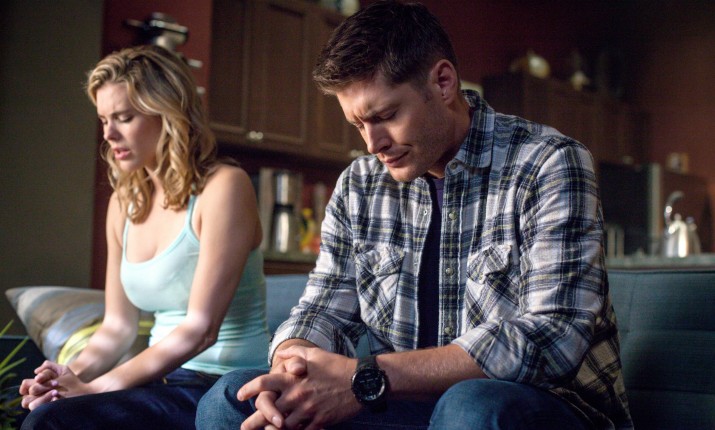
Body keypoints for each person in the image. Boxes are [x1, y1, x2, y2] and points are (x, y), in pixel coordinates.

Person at [196, 1, 633, 429]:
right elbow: (324, 307)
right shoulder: (359, 184)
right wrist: (292, 364)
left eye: (385, 116)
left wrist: (365, 377)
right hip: (398, 402)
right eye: (358, 125)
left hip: (539, 405)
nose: (372, 144)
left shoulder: (548, 162)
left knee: (470, 406)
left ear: (443, 83)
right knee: (233, 399)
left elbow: (553, 336)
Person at [18, 45, 269, 429]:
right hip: (160, 383)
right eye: (104, 119)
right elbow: (117, 328)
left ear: (168, 114)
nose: (109, 134)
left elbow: (201, 330)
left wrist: (96, 388)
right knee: (48, 415)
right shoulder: (125, 202)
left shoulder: (224, 187)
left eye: (124, 117)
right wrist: (66, 380)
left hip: (223, 386)